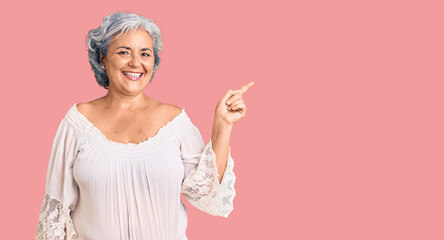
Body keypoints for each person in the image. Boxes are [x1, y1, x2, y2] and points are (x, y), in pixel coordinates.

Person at [35, 11, 254, 240]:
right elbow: (55, 218)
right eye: (123, 52)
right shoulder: (77, 122)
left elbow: (208, 194)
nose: (135, 63)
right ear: (102, 58)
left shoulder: (175, 121)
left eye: (145, 53)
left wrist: (223, 125)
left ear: (153, 61)